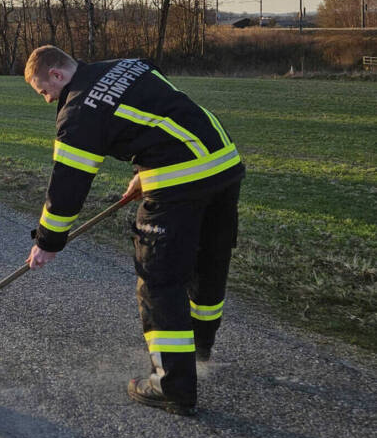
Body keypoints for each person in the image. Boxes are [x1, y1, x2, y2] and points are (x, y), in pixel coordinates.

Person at [23, 45, 244, 416]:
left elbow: (67, 188)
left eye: (45, 92)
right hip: (224, 166)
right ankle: (200, 350)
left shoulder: (78, 112)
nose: (49, 101)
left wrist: (47, 241)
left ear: (57, 75)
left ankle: (171, 385)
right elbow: (159, 110)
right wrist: (144, 170)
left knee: (159, 280)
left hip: (178, 184)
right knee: (208, 265)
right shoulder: (128, 65)